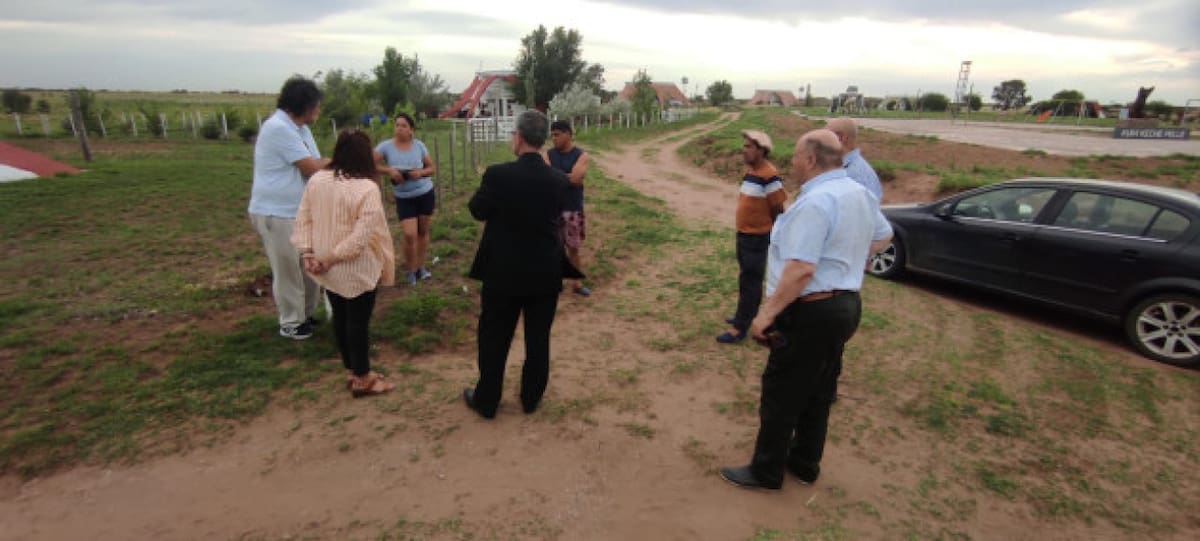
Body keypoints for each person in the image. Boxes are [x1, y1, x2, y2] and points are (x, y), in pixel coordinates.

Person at [719, 129, 893, 490]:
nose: (793, 162)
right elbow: (883, 235)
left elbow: (800, 269)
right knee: (819, 389)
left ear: (811, 159)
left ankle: (766, 471)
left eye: (796, 156)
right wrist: (848, 259)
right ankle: (805, 462)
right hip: (845, 305)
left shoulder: (817, 201)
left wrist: (765, 315)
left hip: (811, 310)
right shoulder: (858, 193)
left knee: (782, 390)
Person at [462, 110, 582, 419]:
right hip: (545, 271)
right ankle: (530, 398)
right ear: (542, 140)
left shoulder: (497, 175)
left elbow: (477, 210)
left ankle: (487, 400)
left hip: (502, 272)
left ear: (518, 137)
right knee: (538, 338)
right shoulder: (558, 180)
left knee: (494, 338)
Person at [292, 129, 396, 396]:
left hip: (326, 266)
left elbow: (303, 218)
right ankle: (363, 378)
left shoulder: (317, 180)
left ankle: (352, 370)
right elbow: (360, 239)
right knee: (357, 322)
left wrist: (308, 253)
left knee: (340, 317)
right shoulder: (367, 187)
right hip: (355, 267)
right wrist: (326, 258)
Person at [249, 76, 329, 340]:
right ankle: (291, 322)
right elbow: (311, 167)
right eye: (316, 106)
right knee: (287, 268)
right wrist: (339, 159)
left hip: (299, 210)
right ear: (304, 106)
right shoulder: (278, 128)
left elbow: (315, 162)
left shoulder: (300, 129)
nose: (318, 110)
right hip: (276, 212)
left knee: (308, 265)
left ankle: (306, 313)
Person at [717, 130, 788, 343]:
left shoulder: (769, 175)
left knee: (751, 282)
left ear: (761, 150)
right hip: (744, 235)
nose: (744, 150)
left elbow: (778, 208)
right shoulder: (751, 171)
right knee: (746, 278)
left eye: (749, 147)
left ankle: (740, 328)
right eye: (744, 145)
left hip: (757, 237)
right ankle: (745, 314)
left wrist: (773, 233)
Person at [374, 112, 437, 286]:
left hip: (425, 193)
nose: (399, 128)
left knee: (422, 232)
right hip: (404, 198)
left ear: (411, 130)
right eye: (397, 125)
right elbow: (370, 163)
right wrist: (389, 171)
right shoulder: (385, 147)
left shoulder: (419, 146)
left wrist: (420, 173)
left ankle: (420, 268)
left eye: (403, 126)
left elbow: (432, 168)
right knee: (409, 234)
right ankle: (410, 270)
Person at [545, 120, 591, 297]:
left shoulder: (581, 155)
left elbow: (577, 179)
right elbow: (550, 178)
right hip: (552, 209)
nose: (554, 138)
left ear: (568, 134)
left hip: (573, 209)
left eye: (557, 135)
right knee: (552, 249)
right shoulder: (548, 154)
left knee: (573, 248)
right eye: (552, 135)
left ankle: (576, 283)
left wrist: (555, 176)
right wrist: (567, 177)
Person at [826, 117, 882, 202]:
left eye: (826, 136)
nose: (820, 143)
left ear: (841, 137)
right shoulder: (851, 168)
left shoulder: (853, 175)